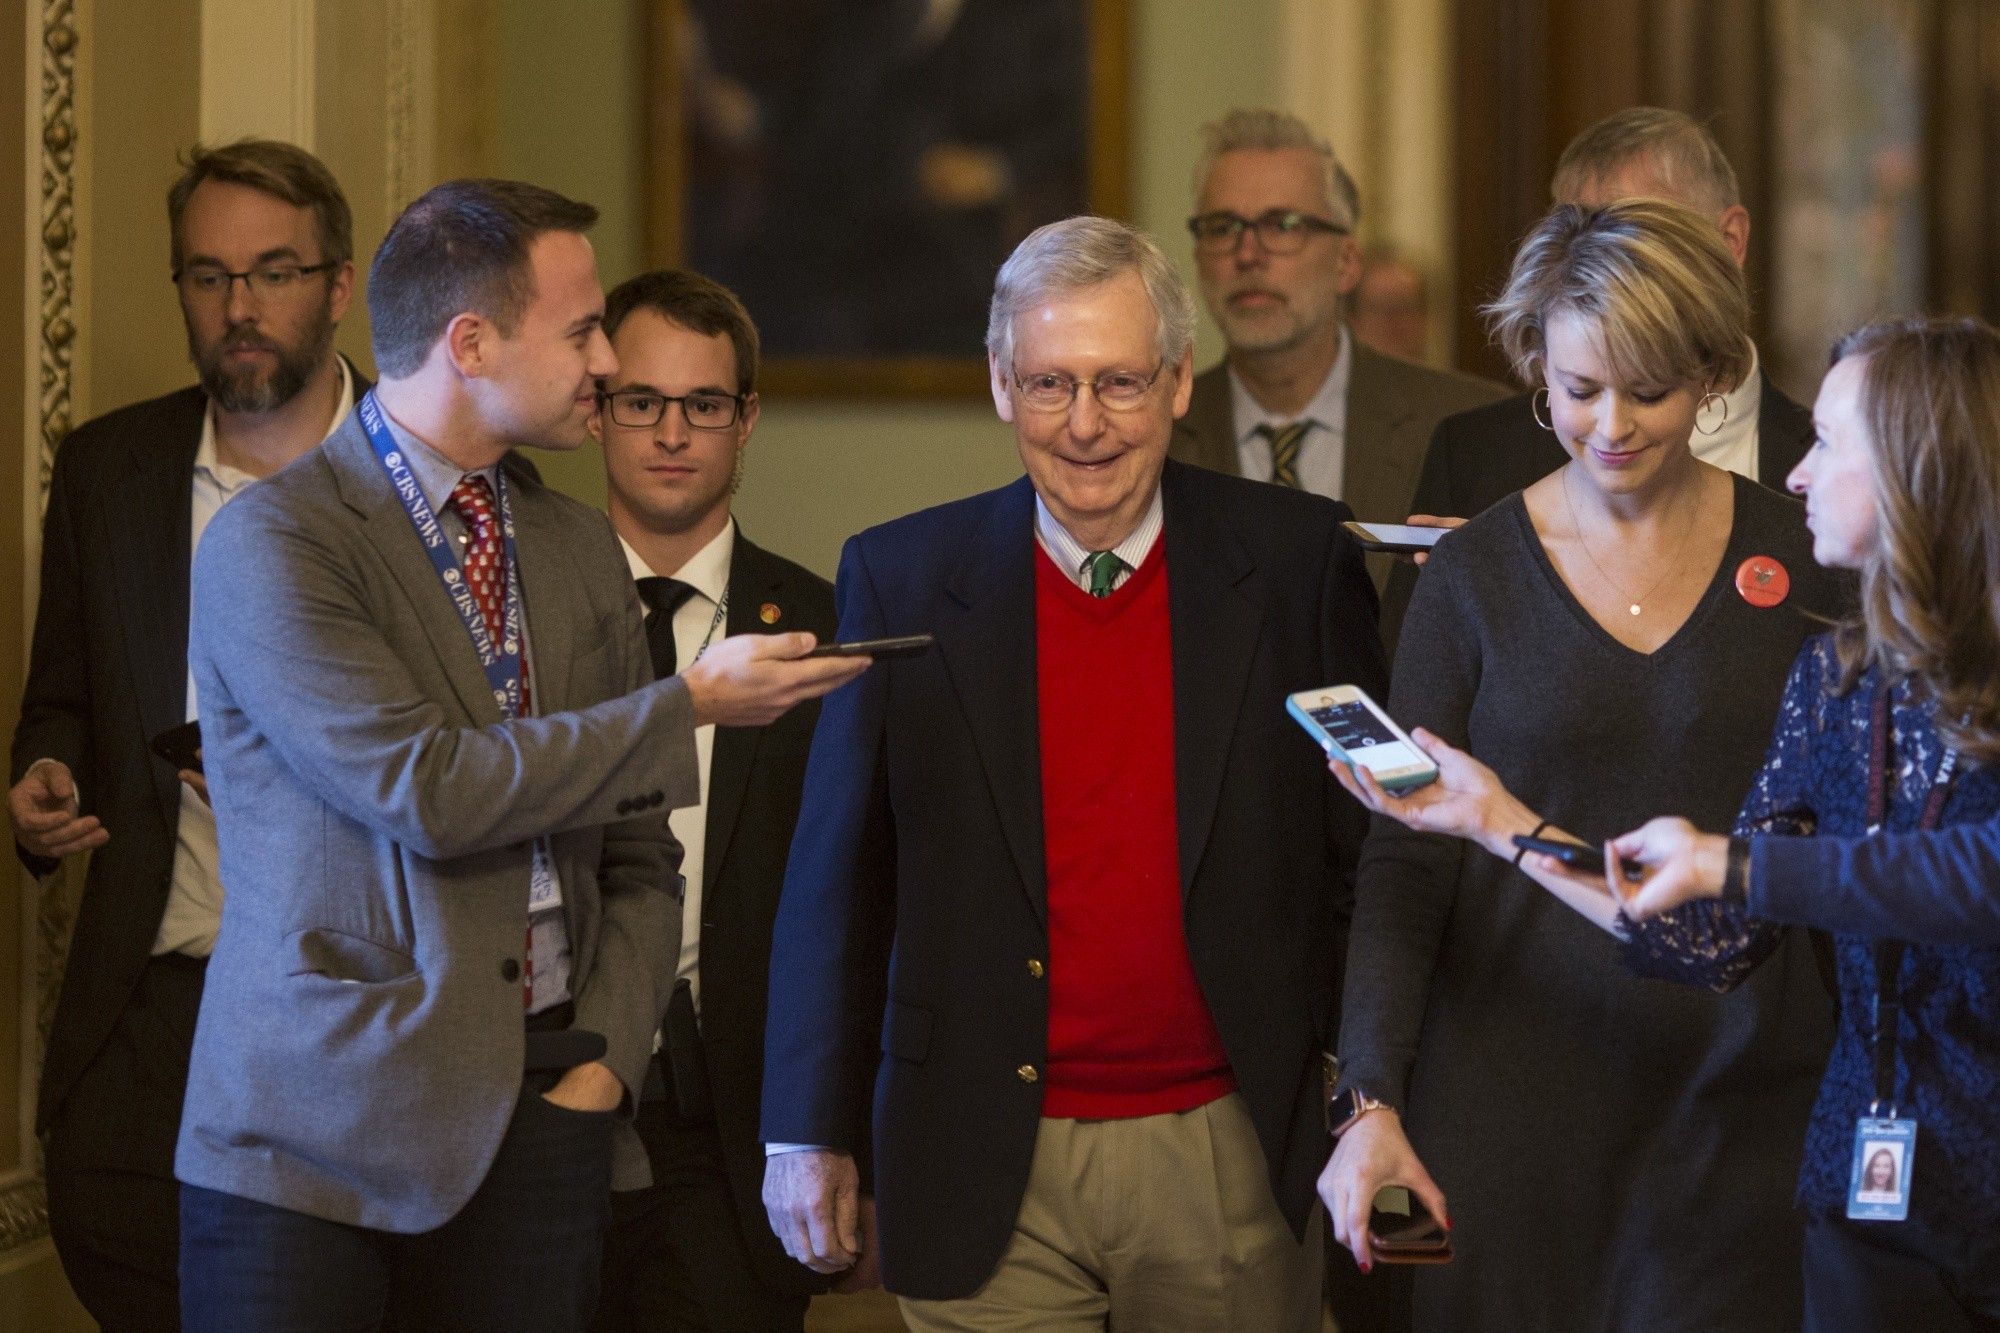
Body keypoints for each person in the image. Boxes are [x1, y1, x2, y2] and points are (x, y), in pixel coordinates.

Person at [171, 179, 867, 1330]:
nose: (603, 364)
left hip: (544, 1125)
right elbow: (426, 790)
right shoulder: (277, 540)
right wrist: (687, 702)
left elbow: (644, 856)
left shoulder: (566, 542)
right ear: (471, 342)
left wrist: (599, 1070)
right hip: (313, 1146)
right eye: (584, 330)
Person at [759, 215, 1385, 1331]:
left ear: (1180, 380)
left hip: (1230, 1150)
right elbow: (838, 873)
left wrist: (1358, 1086)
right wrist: (804, 1126)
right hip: (976, 1147)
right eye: (1049, 384)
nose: (1084, 426)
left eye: (1119, 383)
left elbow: (1365, 856)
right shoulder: (898, 575)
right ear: (999, 387)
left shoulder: (1297, 560)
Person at [1320, 199, 1841, 1331]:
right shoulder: (1464, 574)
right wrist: (1367, 1099)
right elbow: (1403, 868)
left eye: (1647, 389)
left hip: (1740, 1098)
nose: (1609, 425)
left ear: (1708, 375)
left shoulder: (1802, 556)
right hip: (1505, 1098)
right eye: (1576, 388)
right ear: (1535, 371)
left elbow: (1845, 852)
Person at [6, 139, 365, 1331]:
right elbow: (61, 693)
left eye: (272, 272)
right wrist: (42, 779)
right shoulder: (112, 470)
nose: (240, 308)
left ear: (339, 285)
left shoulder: (436, 483)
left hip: (362, 1026)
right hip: (149, 1022)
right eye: (207, 277)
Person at [1593, 317, 2000, 1329]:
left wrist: (1732, 865)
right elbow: (1711, 927)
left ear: (1914, 466)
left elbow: (1974, 877)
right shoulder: (1833, 676)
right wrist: (1492, 822)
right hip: (1864, 1195)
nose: (1796, 476)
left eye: (1825, 444)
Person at [587, 269, 843, 1332]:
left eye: (702, 405)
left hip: (728, 1128)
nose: (670, 433)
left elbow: (856, 899)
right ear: (596, 410)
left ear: (745, 422)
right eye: (640, 401)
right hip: (527, 1115)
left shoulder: (823, 627)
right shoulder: (512, 609)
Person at [1387, 106, 1817, 642]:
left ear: (1729, 242)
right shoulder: (1476, 456)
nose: (1599, 274)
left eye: (1637, 240)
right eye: (1577, 240)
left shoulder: (1831, 468)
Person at [1169, 108, 1505, 608]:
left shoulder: (1468, 423)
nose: (1246, 254)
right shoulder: (1153, 435)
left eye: (1281, 225)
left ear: (1347, 264)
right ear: (1198, 259)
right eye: (1222, 227)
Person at [1348, 246, 1434, 366]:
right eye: (1379, 308)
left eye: (1403, 306)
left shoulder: (1447, 384)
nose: (1392, 319)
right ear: (1355, 322)